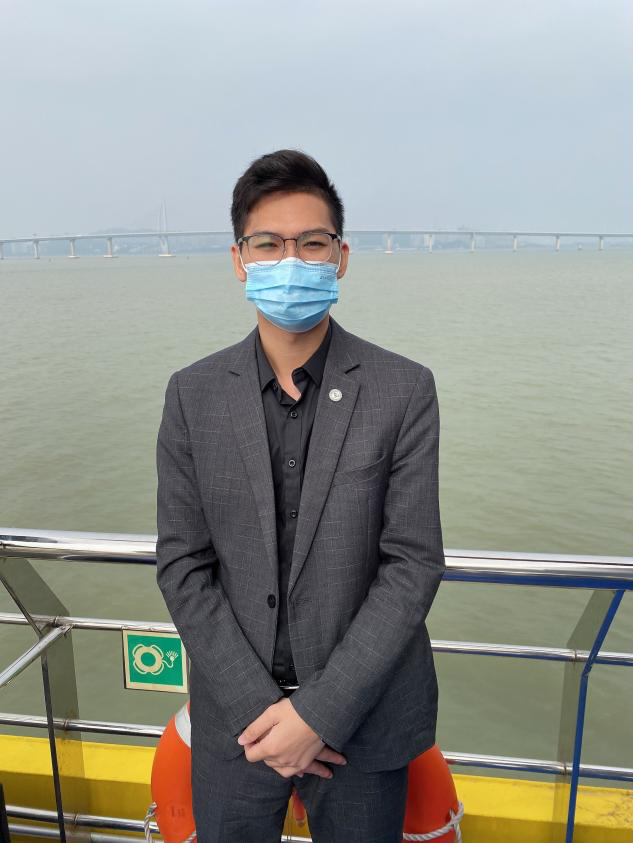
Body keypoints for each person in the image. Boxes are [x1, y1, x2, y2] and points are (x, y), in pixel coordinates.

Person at [155, 149, 446, 842]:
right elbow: (183, 564)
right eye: (268, 243)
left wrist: (318, 713)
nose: (291, 259)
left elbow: (411, 563)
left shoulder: (403, 389)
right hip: (239, 725)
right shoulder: (193, 395)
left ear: (340, 257)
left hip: (362, 723)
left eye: (311, 243)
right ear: (239, 260)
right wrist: (263, 711)